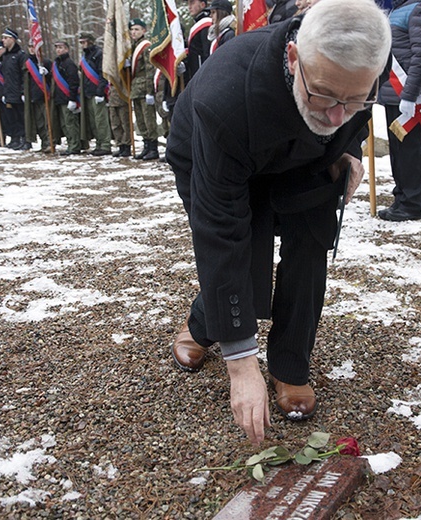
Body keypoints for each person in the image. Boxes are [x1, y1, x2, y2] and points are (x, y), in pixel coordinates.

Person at [166, 0, 391, 445]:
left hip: (303, 157)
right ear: (294, 60)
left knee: (311, 239)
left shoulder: (362, 73)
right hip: (216, 153)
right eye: (325, 93)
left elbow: (348, 117)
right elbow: (220, 231)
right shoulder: (223, 100)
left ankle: (291, 364)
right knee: (242, 250)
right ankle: (204, 325)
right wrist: (241, 362)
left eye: (355, 98)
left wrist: (341, 149)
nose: (337, 114)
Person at [377, 0, 421, 221]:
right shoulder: (397, 10)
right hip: (393, 94)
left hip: (409, 94)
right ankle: (401, 197)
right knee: (399, 150)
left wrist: (410, 93)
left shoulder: (418, 9)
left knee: (410, 149)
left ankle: (412, 203)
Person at [128, 18, 159, 160]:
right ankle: (146, 146)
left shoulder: (146, 46)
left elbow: (149, 70)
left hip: (144, 88)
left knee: (149, 119)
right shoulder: (134, 46)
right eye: (132, 29)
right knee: (140, 120)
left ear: (143, 31)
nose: (133, 32)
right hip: (136, 89)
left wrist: (149, 91)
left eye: (137, 29)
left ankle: (153, 148)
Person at [79, 33, 112, 156]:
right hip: (88, 92)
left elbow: (102, 73)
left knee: (100, 120)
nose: (82, 45)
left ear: (90, 41)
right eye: (81, 42)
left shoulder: (98, 54)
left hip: (97, 92)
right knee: (93, 121)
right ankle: (99, 144)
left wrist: (100, 92)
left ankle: (105, 144)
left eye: (84, 42)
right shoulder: (85, 56)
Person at [0, 28, 29, 150]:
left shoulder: (20, 55)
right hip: (9, 92)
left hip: (18, 92)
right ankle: (16, 138)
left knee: (22, 117)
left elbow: (24, 75)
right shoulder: (5, 56)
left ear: (12, 39)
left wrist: (23, 91)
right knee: (13, 117)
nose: (3, 40)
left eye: (6, 38)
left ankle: (26, 139)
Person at [51, 40, 81, 155]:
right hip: (60, 98)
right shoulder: (57, 63)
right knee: (64, 124)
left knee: (70, 123)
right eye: (57, 47)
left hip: (67, 98)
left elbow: (73, 82)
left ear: (67, 49)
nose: (58, 50)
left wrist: (72, 99)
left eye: (61, 47)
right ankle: (70, 144)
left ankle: (75, 146)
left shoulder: (69, 63)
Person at [24, 43, 52, 153]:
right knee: (39, 123)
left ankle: (50, 143)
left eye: (33, 46)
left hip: (45, 96)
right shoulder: (26, 64)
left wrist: (47, 73)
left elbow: (52, 79)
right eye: (30, 46)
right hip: (33, 97)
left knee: (47, 121)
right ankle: (44, 143)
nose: (32, 49)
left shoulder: (46, 62)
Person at [186, 0, 211, 81]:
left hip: (203, 75)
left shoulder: (205, 24)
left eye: (192, 3)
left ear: (202, 4)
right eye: (188, 3)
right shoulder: (197, 24)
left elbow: (207, 52)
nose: (189, 6)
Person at [108, 84, 131, 157]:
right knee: (115, 124)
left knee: (125, 123)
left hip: (122, 97)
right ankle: (120, 145)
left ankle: (127, 146)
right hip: (112, 98)